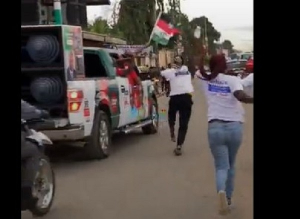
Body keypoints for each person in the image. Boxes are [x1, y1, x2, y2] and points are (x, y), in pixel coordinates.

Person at [195, 54, 253, 215]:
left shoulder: (204, 79)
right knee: (231, 164)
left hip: (215, 127)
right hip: (234, 127)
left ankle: (220, 191)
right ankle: (228, 198)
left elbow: (198, 69)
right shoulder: (232, 80)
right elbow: (240, 96)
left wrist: (202, 55)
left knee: (221, 166)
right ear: (225, 65)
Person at [160, 56, 194, 156]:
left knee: (171, 116)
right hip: (186, 97)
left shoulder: (169, 71)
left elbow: (160, 73)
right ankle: (179, 145)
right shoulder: (187, 70)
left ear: (174, 63)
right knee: (184, 124)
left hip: (175, 98)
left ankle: (172, 130)